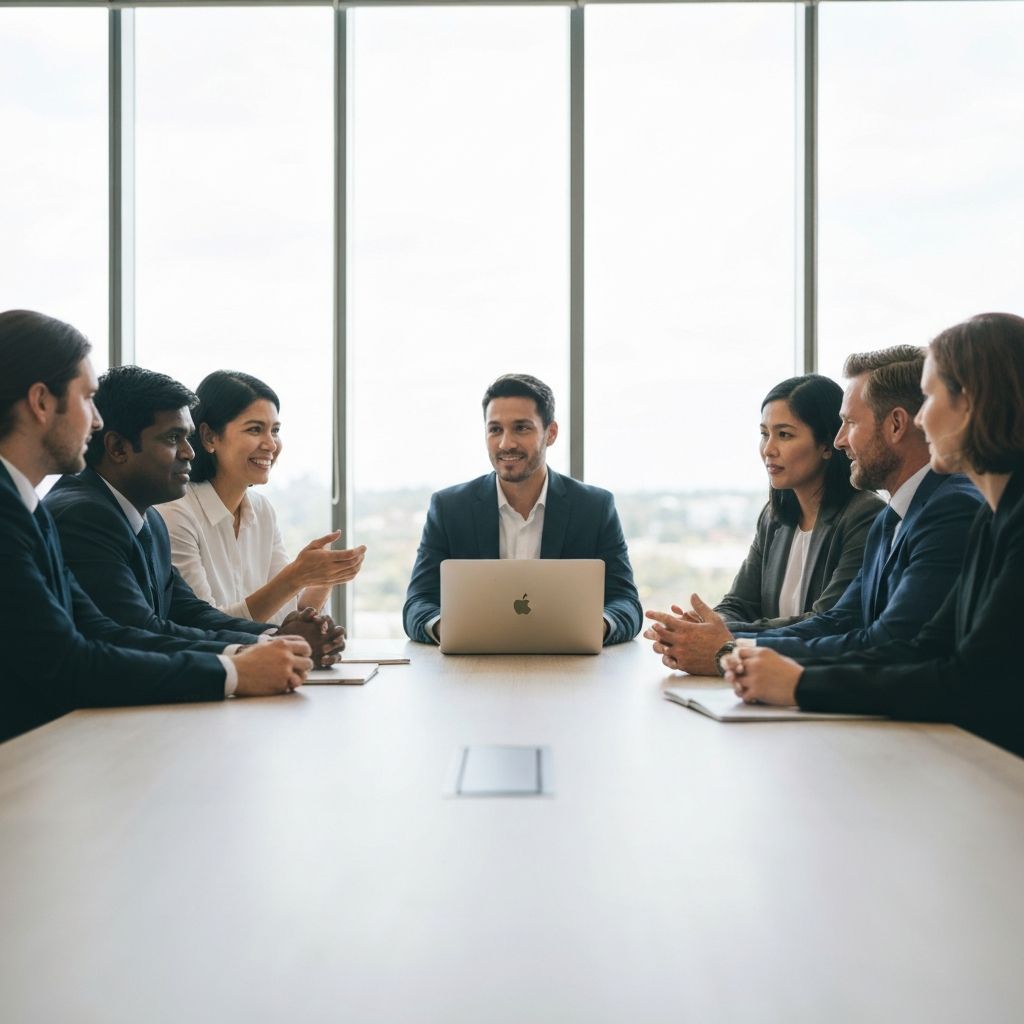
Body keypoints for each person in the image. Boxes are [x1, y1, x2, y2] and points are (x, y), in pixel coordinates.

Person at [0, 310, 312, 743]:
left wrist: (259, 646)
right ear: (41, 402)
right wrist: (235, 670)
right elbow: (69, 662)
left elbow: (105, 631)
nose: (95, 420)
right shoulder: (62, 512)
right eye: (87, 399)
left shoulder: (30, 507)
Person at [722, 313, 1024, 758]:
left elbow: (957, 676)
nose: (922, 418)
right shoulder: (988, 519)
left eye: (929, 397)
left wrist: (799, 682)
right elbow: (922, 648)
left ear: (972, 404)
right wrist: (749, 653)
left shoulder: (969, 511)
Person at [646, 347, 981, 674]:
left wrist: (729, 650)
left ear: (895, 425)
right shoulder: (890, 518)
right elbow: (839, 621)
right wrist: (714, 640)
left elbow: (888, 642)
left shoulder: (948, 508)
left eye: (850, 423)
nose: (839, 441)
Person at [44, 365, 345, 666]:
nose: (190, 452)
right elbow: (136, 632)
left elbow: (192, 614)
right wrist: (249, 657)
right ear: (118, 447)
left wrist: (274, 640)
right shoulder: (86, 515)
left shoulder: (148, 520)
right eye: (173, 438)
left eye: (187, 438)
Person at [644, 374, 883, 667]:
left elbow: (827, 621)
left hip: (813, 677)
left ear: (826, 445)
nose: (768, 449)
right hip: (759, 678)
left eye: (784, 434)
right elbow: (739, 603)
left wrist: (722, 640)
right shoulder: (774, 517)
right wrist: (702, 627)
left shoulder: (865, 515)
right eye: (764, 433)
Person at [403, 373, 642, 645]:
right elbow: (418, 603)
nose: (506, 443)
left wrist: (593, 629)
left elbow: (626, 603)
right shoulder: (449, 508)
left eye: (521, 428)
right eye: (495, 429)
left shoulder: (595, 507)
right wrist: (450, 631)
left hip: (571, 672)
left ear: (550, 433)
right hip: (471, 670)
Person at [157, 370, 365, 625]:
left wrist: (322, 579)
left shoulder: (262, 510)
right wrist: (295, 577)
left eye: (275, 430)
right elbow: (205, 625)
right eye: (255, 429)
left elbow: (284, 617)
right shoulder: (175, 513)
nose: (271, 444)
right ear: (210, 437)